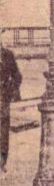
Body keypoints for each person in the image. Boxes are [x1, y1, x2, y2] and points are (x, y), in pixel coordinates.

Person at [0, 41, 21, 173]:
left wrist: (11, 89)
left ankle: (1, 164)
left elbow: (17, 76)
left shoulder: (8, 55)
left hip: (3, 99)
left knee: (3, 132)